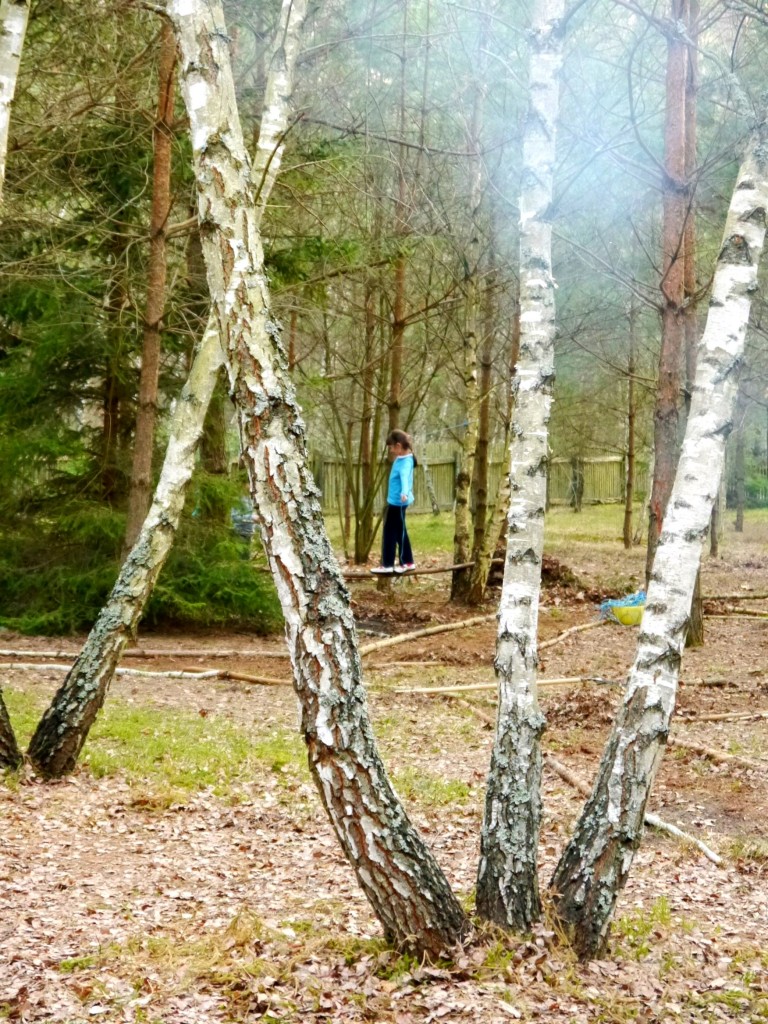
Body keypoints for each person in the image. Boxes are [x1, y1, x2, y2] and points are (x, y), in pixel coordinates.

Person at [371, 430, 417, 574]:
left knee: (395, 532)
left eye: (391, 447)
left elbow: (404, 478)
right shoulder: (403, 458)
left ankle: (400, 563)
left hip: (399, 502)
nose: (390, 450)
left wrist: (404, 492)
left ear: (398, 445)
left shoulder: (405, 462)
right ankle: (395, 563)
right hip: (395, 502)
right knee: (395, 531)